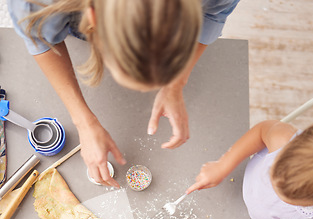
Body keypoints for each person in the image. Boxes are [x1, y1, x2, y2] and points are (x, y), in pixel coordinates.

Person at [7, 0, 240, 187]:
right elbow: (40, 37)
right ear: (94, 20)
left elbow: (213, 15)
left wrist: (176, 84)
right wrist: (83, 122)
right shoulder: (34, 3)